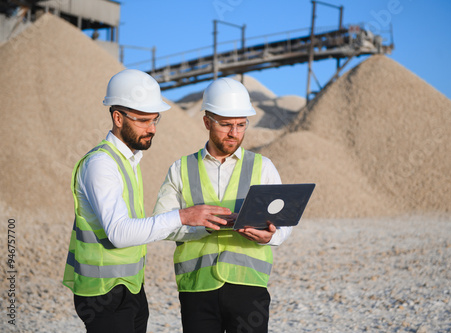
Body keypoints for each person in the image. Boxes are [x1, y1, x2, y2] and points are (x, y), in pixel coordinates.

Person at [62, 69, 231, 333]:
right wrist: (183, 216)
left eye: (155, 120)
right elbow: (119, 233)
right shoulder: (101, 165)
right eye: (143, 120)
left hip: (129, 286)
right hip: (102, 293)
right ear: (118, 117)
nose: (151, 129)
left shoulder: (129, 161)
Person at [153, 77, 292, 333]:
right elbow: (161, 225)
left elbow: (283, 225)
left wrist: (269, 237)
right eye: (226, 125)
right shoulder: (180, 169)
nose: (234, 133)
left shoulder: (263, 167)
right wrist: (199, 227)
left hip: (249, 287)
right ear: (207, 121)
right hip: (197, 289)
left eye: (241, 125)